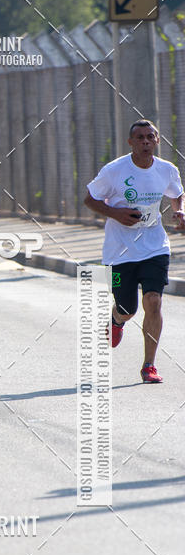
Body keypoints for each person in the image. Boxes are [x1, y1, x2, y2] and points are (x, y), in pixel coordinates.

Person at [84, 119, 184, 383]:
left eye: (150, 137)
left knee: (153, 300)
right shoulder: (114, 170)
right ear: (130, 142)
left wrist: (179, 210)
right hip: (120, 253)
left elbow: (177, 193)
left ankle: (148, 365)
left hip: (155, 247)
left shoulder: (166, 169)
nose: (145, 142)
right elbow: (89, 198)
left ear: (157, 141)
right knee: (128, 308)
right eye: (139, 138)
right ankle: (117, 321)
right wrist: (115, 213)